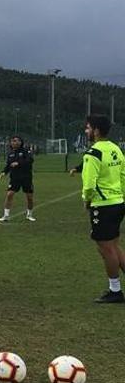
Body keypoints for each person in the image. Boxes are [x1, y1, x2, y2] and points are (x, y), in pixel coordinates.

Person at [80, 115, 125, 303]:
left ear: (97, 130)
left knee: (106, 249)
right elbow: (123, 175)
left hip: (103, 205)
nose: (86, 131)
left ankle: (115, 290)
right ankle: (115, 289)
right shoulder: (115, 149)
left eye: (88, 127)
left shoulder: (93, 153)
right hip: (118, 202)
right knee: (113, 246)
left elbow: (89, 183)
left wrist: (86, 200)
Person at [0, 136, 36, 222]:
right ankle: (6, 216)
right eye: (13, 141)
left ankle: (29, 215)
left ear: (20, 142)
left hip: (26, 177)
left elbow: (30, 160)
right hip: (15, 178)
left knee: (29, 197)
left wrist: (18, 163)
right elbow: (8, 165)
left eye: (17, 141)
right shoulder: (10, 153)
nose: (15, 142)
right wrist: (4, 172)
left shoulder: (26, 151)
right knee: (9, 194)